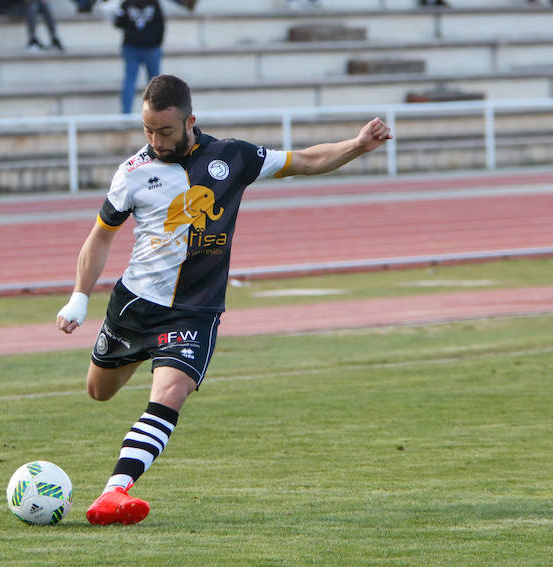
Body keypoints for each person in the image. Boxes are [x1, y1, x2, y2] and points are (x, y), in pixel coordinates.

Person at [56, 74, 392, 526]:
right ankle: (132, 382)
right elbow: (100, 236)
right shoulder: (133, 173)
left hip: (196, 311)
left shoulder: (231, 157)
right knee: (99, 391)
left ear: (190, 121)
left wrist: (356, 145)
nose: (156, 141)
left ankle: (114, 492)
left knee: (171, 392)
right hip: (135, 305)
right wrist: (80, 297)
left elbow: (305, 160)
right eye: (148, 131)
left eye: (165, 131)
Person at [110, 0, 164, 114]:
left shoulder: (126, 4)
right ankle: (156, 113)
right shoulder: (154, 3)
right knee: (155, 84)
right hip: (150, 47)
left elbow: (119, 23)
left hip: (131, 46)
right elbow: (161, 25)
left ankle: (126, 114)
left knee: (130, 81)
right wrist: (157, 43)